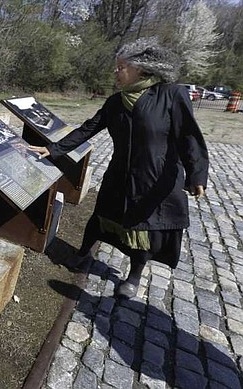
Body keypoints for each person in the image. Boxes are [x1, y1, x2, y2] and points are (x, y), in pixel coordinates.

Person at [27, 37, 209, 298]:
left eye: (121, 67)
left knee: (142, 229)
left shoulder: (170, 95)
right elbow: (89, 128)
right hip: (119, 175)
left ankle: (133, 276)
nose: (116, 72)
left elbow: (189, 136)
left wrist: (196, 174)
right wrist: (54, 149)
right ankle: (83, 256)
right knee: (101, 217)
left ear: (142, 69)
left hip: (154, 178)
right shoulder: (116, 102)